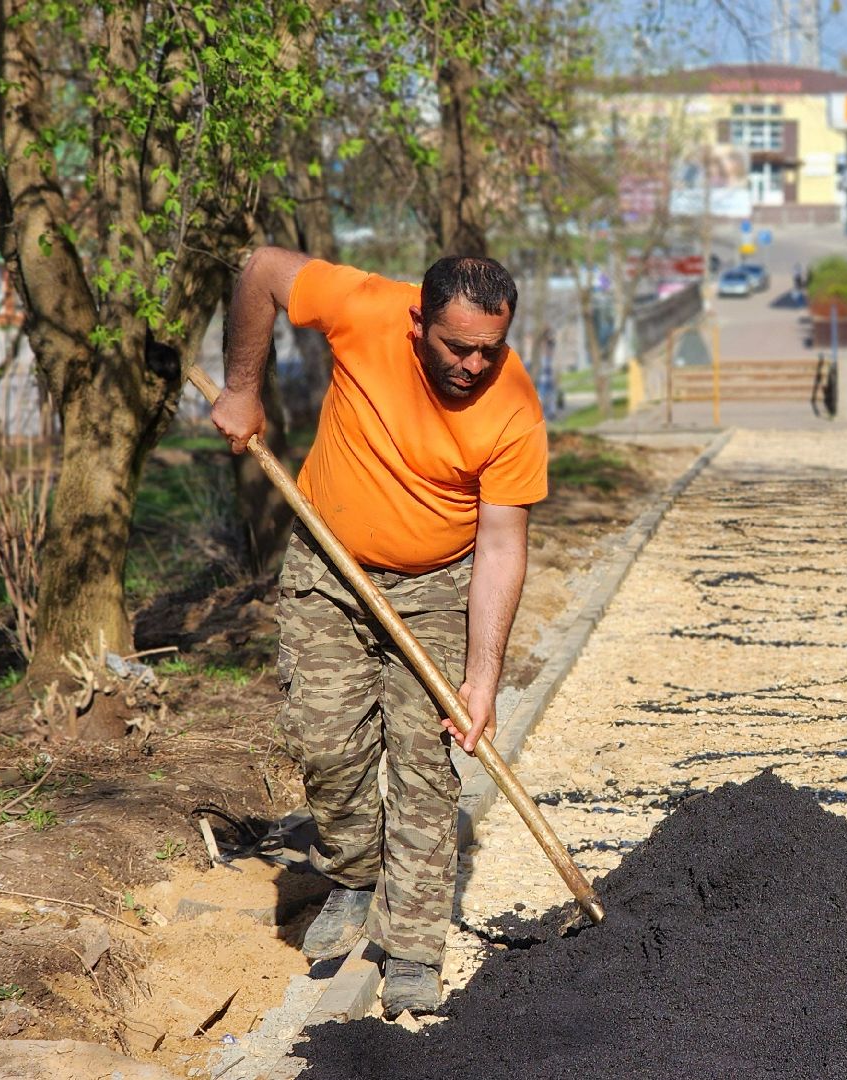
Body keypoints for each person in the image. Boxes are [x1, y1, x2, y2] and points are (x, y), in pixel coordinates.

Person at [211, 249, 547, 1019]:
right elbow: (260, 271)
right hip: (328, 563)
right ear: (418, 321)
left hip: (437, 585)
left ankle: (413, 947)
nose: (473, 365)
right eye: (456, 346)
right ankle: (357, 874)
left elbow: (502, 547)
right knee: (325, 741)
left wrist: (483, 679)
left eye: (489, 349)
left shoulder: (513, 408)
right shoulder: (364, 308)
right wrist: (242, 388)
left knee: (425, 761)